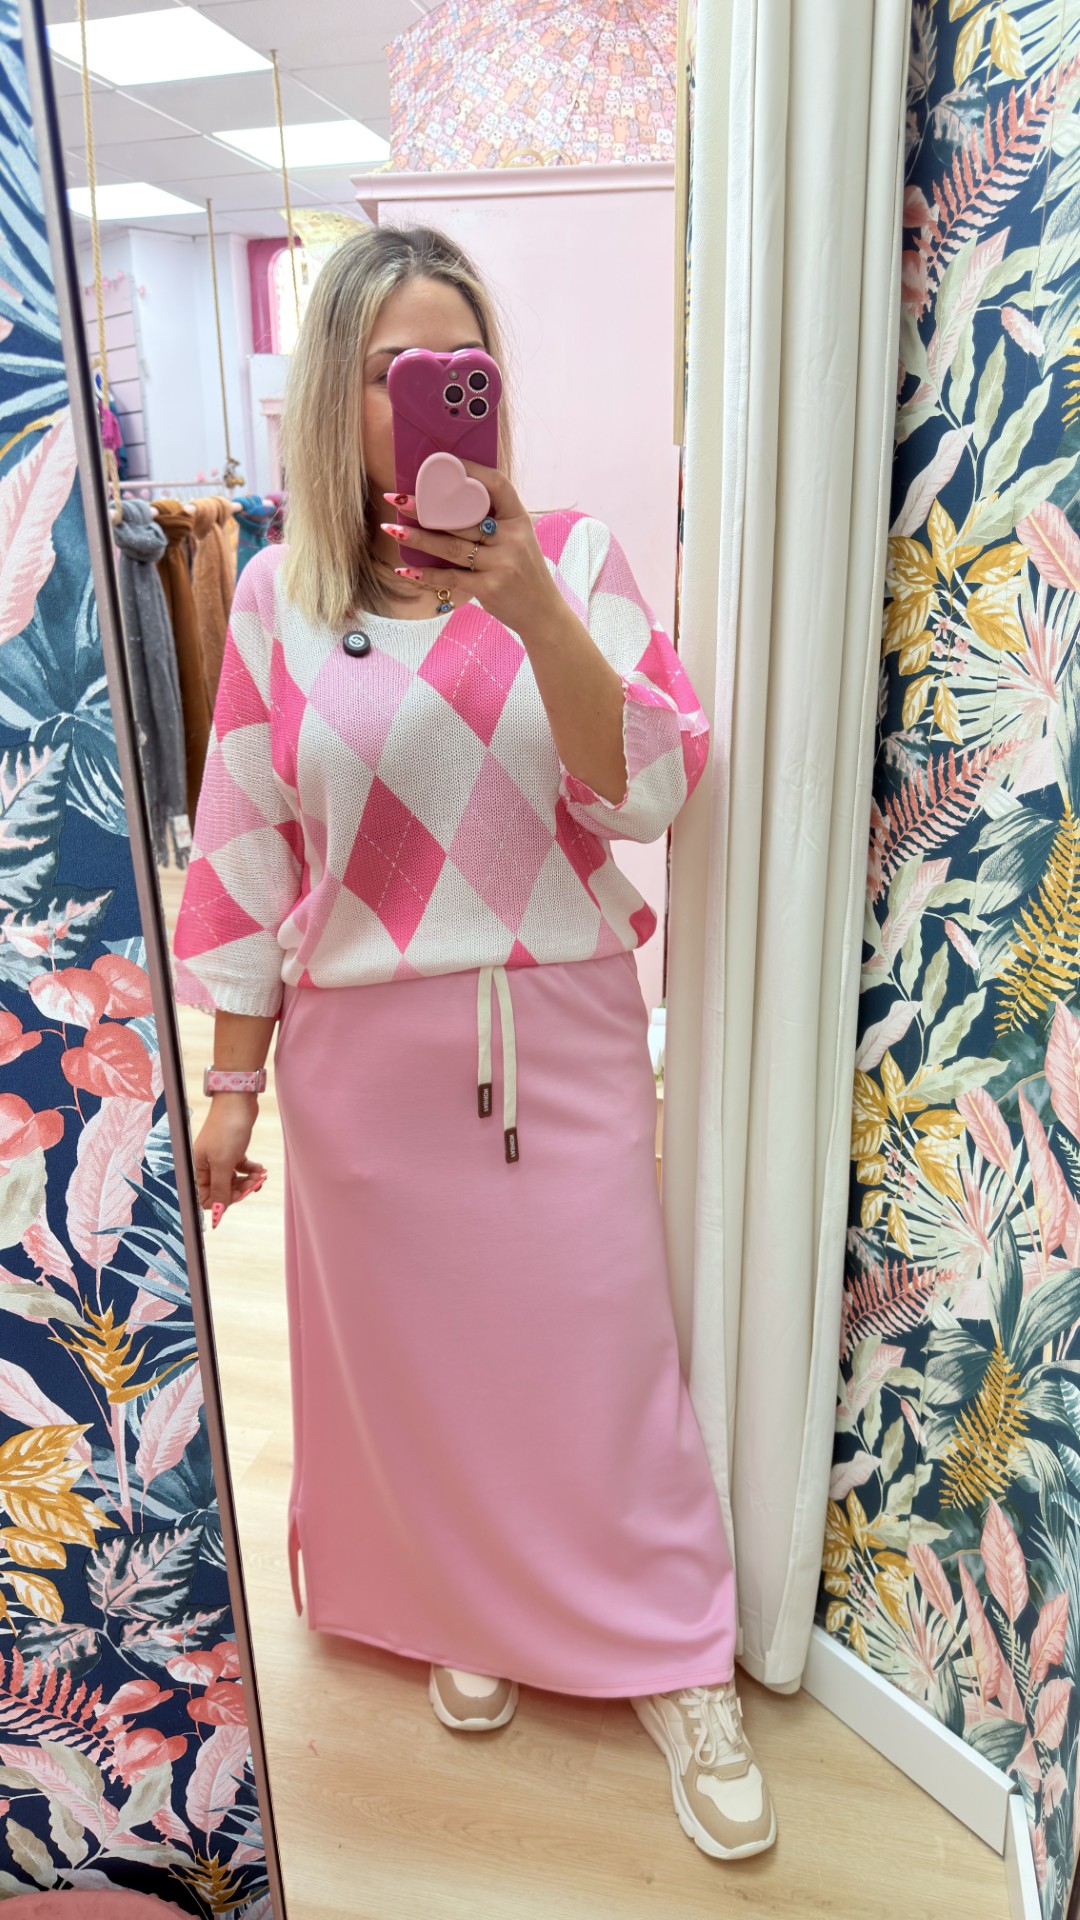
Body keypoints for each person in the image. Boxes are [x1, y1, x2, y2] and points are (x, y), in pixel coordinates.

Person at [170, 223, 776, 1864]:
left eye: (457, 366)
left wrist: (532, 610)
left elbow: (644, 789)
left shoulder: (571, 558)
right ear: (336, 397)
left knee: (602, 1361)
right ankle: (463, 1606)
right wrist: (231, 1089)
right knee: (418, 1373)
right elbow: (246, 852)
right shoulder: (280, 606)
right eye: (388, 372)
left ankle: (679, 1657)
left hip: (556, 1029)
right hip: (362, 1073)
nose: (426, 397)